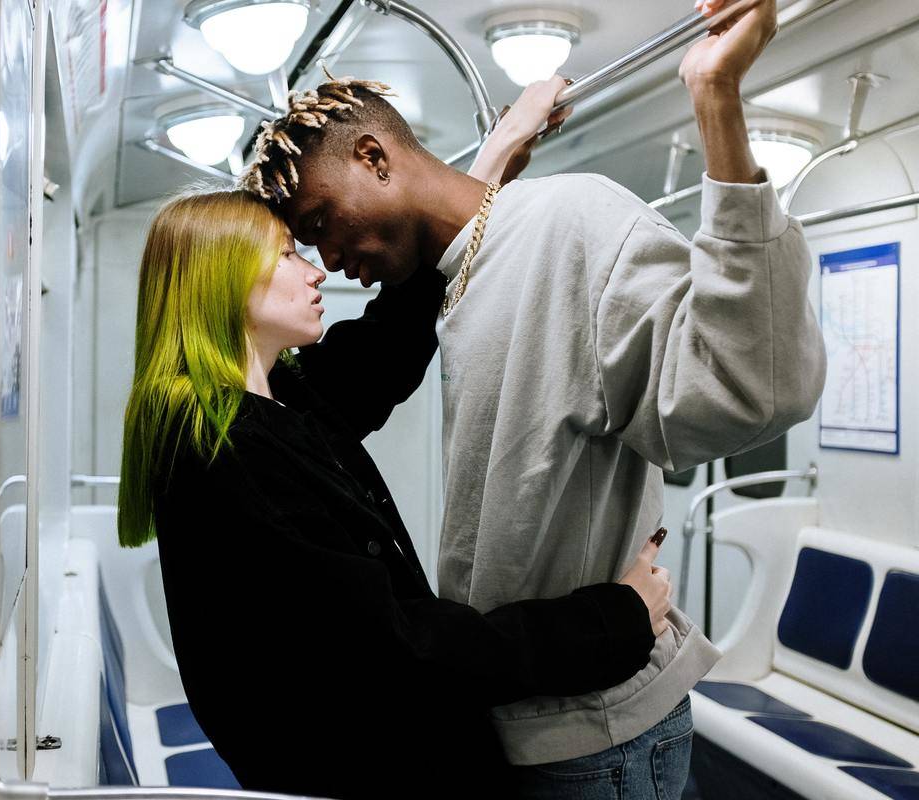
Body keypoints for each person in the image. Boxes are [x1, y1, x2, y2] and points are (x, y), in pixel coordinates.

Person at [239, 0, 826, 796]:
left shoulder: (572, 220)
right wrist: (495, 154)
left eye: (324, 223)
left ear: (374, 157)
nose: (332, 260)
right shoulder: (449, 282)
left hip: (598, 736)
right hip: (511, 719)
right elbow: (370, 360)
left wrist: (717, 104)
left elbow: (747, 388)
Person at [116, 187, 676, 799]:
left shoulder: (274, 405)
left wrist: (484, 172)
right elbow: (402, 651)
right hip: (369, 770)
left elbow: (383, 346)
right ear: (221, 280)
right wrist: (613, 620)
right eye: (286, 254)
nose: (314, 272)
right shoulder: (227, 455)